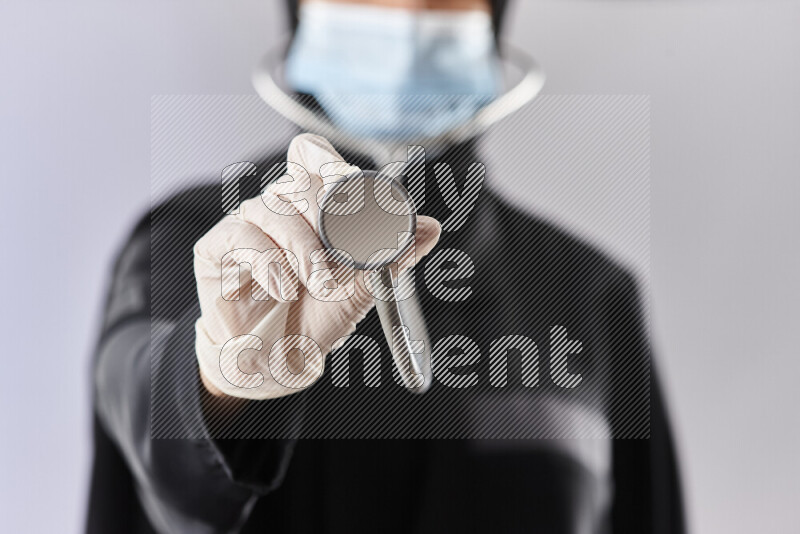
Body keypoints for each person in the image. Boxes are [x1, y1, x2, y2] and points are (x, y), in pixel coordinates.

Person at [86, 0, 684, 532]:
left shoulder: (593, 296)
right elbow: (141, 404)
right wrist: (218, 382)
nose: (404, 11)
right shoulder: (189, 244)